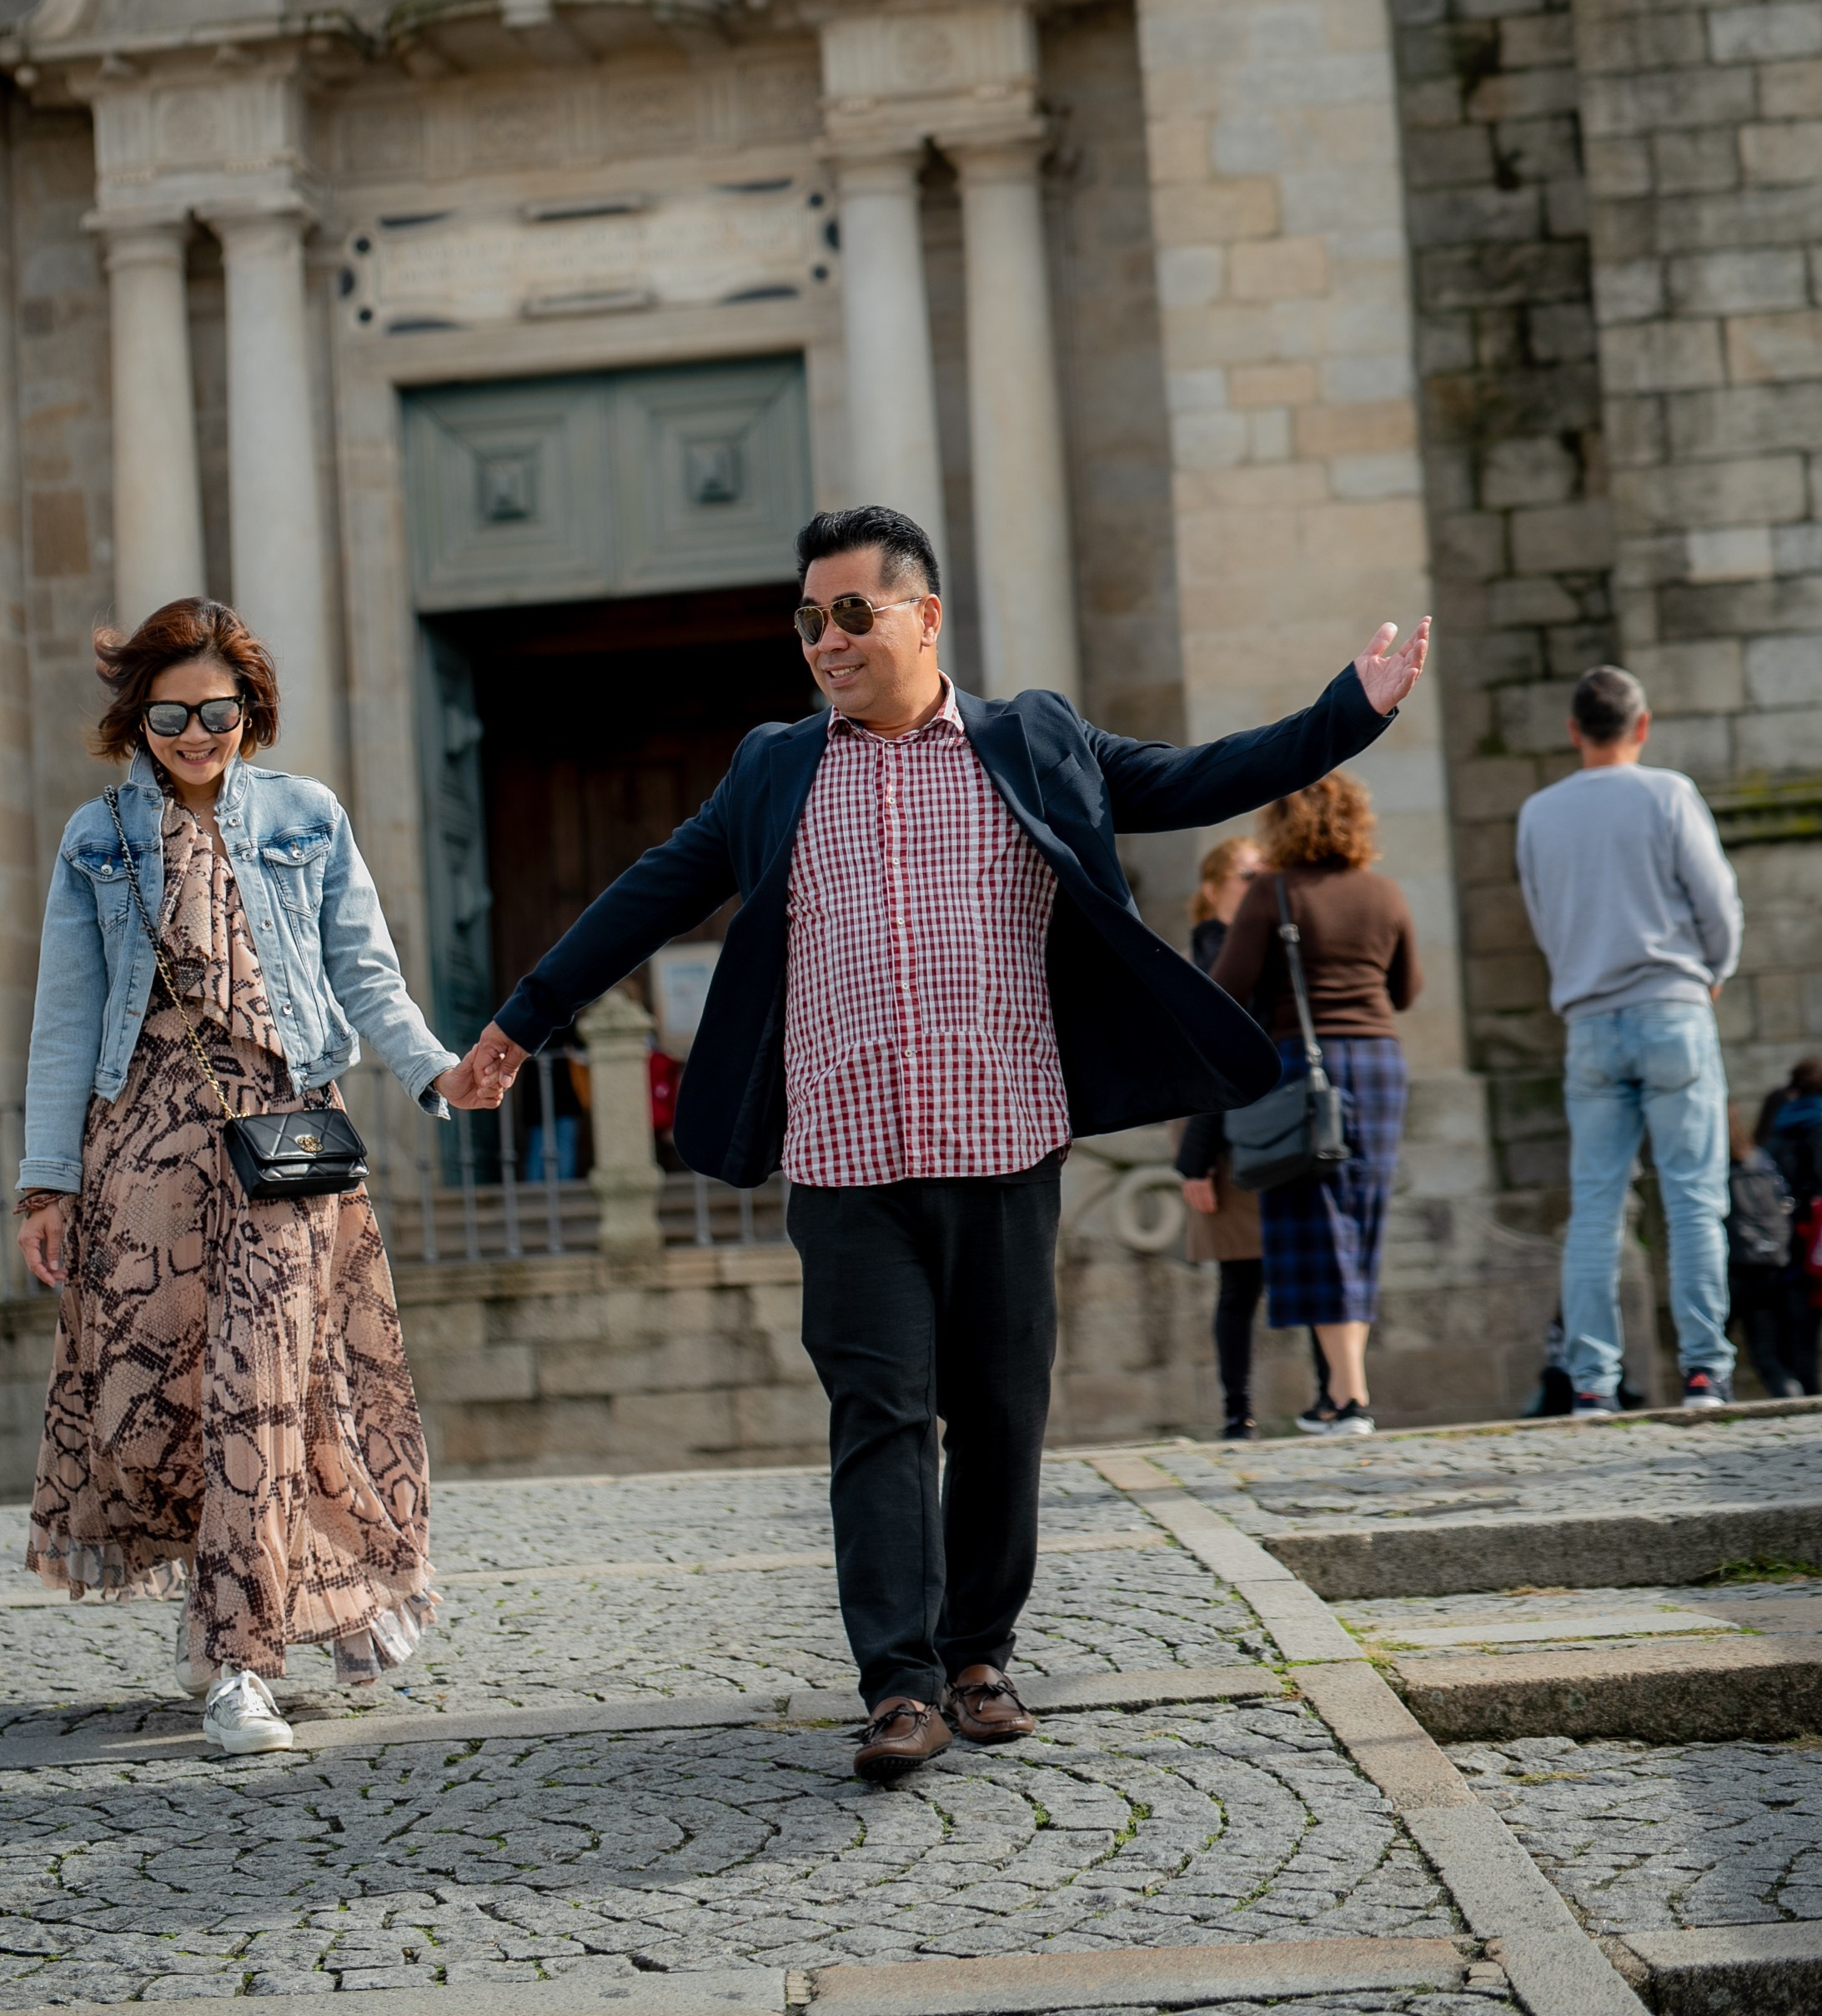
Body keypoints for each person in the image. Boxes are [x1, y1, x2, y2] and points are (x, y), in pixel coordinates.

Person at [443, 501, 1430, 1784]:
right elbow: (648, 891)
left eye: (854, 612)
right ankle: (900, 1684)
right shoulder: (774, 768)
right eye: (809, 619)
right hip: (847, 1159)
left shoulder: (1037, 741)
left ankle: (980, 1656)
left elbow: (1200, 779)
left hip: (1004, 1142)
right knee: (880, 1414)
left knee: (1004, 1413)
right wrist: (521, 1024)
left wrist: (1348, 712)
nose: (828, 640)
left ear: (925, 615)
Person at [15, 597, 469, 1757]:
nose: (196, 732)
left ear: (249, 710)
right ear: (138, 716)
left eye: (218, 710)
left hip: (282, 1141)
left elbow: (366, 972)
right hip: (143, 1151)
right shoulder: (97, 840)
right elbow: (65, 1017)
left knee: (266, 1386)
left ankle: (236, 1663)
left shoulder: (306, 818)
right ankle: (230, 1604)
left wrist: (434, 1070)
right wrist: (44, 1181)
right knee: (163, 1398)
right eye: (171, 713)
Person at [1515, 662, 1744, 1416]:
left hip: (1588, 1019)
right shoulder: (1669, 793)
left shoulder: (1539, 814)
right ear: (1641, 727)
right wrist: (1715, 970)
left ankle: (1591, 1382)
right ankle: (1705, 1372)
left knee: (1595, 1209)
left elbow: (1547, 922)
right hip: (1673, 1004)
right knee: (1692, 1199)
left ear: (1574, 731)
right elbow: (1718, 904)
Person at [1208, 772, 1419, 1437]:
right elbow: (1406, 988)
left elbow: (1228, 987)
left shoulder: (1273, 893)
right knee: (1362, 1220)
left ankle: (1351, 1397)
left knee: (1319, 1222)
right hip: (1381, 1063)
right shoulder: (1385, 893)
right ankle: (1337, 1394)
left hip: (1304, 1066)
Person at [1174, 838, 1333, 1442]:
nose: (1260, 885)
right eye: (1248, 876)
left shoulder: (1265, 943)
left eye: (1267, 876)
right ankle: (1238, 1410)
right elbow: (1213, 1063)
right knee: (1241, 1280)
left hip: (1270, 1127)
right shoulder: (1207, 951)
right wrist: (1194, 1161)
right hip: (1223, 1137)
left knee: (1305, 1264)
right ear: (1214, 885)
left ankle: (1330, 1395)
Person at [1758, 1057, 1822, 1396]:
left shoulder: (1778, 1127)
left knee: (1801, 1335)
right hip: (1817, 1233)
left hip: (1795, 1244)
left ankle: (1809, 1400)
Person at [1726, 1104, 1799, 1398]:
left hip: (1729, 1267)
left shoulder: (1708, 1163)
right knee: (1768, 1356)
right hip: (1766, 1265)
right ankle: (1792, 1401)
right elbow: (1785, 1202)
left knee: (1707, 1349)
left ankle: (1707, 1394)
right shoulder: (1759, 1158)